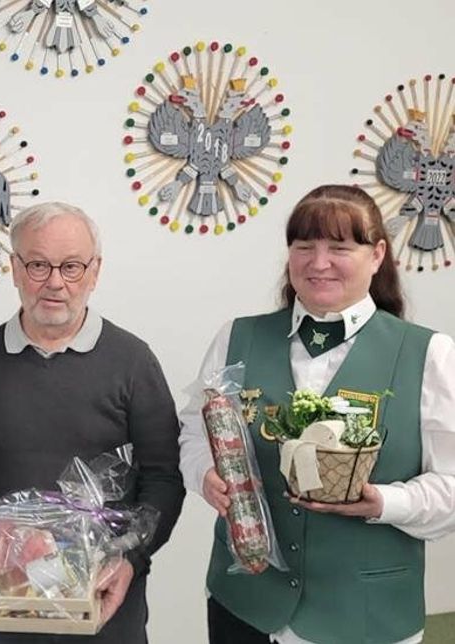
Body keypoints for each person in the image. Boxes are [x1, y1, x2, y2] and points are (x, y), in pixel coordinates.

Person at [179, 184, 455, 644]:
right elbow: (193, 432)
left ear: (377, 255)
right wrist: (205, 473)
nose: (318, 262)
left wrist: (384, 503)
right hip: (243, 604)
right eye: (303, 246)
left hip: (366, 616)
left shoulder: (430, 355)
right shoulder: (236, 337)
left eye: (340, 247)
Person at [0, 201, 185, 644]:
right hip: (4, 598)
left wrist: (131, 559)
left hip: (104, 600)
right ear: (15, 269)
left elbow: (163, 479)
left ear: (95, 271)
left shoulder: (133, 362)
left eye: (72, 266)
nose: (55, 282)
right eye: (38, 265)